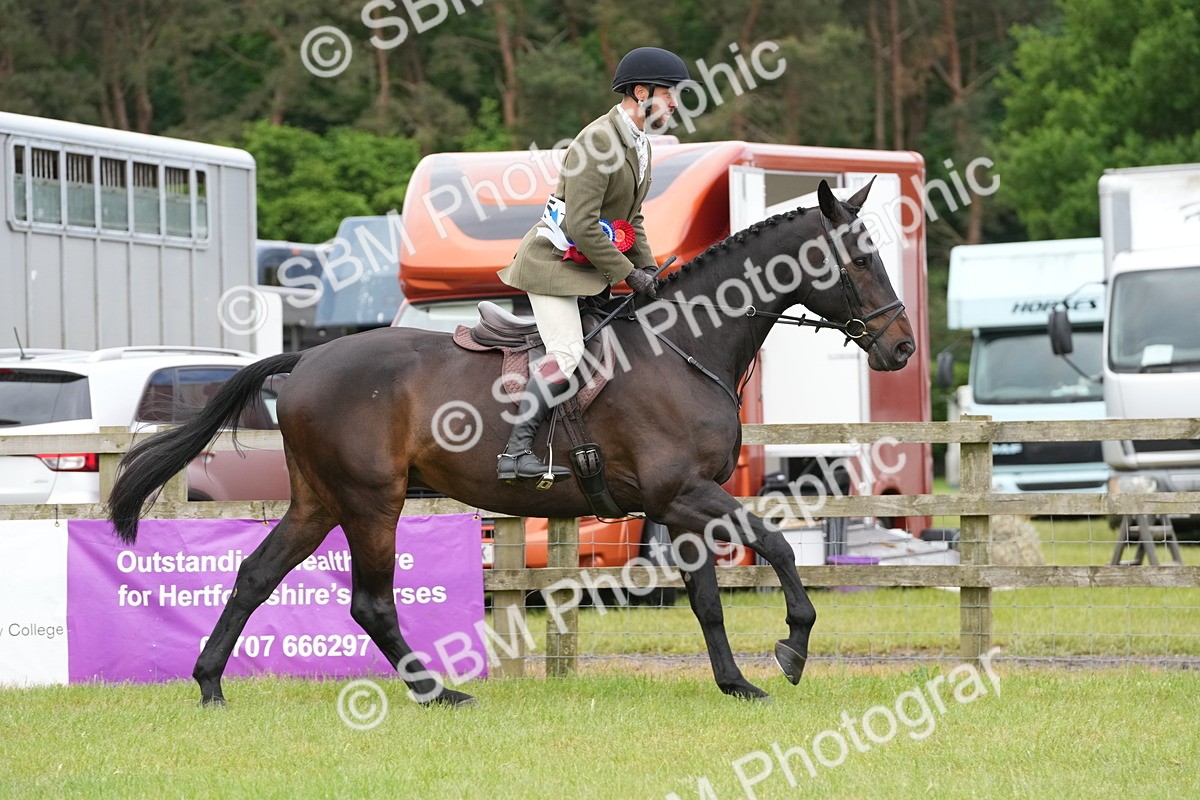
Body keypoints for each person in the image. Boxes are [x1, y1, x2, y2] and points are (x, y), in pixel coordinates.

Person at [495, 46, 692, 484]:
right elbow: (582, 225)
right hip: (552, 268)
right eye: (669, 93)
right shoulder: (597, 140)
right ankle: (515, 450)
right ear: (641, 93)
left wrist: (654, 273)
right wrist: (628, 274)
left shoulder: (639, 144)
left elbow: (631, 221)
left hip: (586, 272)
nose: (675, 103)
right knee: (566, 354)